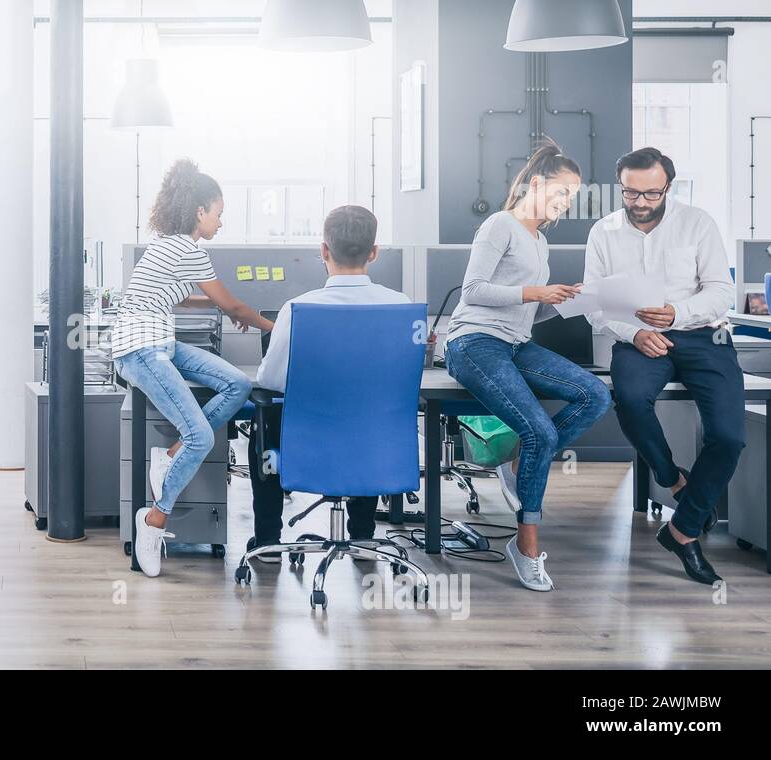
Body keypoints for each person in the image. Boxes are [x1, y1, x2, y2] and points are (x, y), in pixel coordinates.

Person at [444, 140, 612, 592]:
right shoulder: (500, 225)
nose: (566, 203)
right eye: (561, 192)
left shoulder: (539, 241)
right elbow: (474, 291)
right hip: (474, 341)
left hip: (516, 343)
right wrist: (537, 292)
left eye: (572, 196)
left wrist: (562, 301)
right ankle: (527, 544)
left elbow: (527, 312)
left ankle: (518, 461)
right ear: (535, 183)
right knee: (540, 431)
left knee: (596, 395)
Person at [585, 147, 742, 586]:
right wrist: (632, 332)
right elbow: (596, 304)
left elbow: (720, 292)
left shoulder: (698, 224)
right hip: (636, 336)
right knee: (631, 400)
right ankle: (673, 479)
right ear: (621, 186)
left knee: (729, 437)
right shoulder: (604, 232)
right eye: (631, 193)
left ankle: (682, 530)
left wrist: (677, 313)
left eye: (651, 193)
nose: (640, 202)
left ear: (667, 187)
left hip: (701, 334)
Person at [112, 159, 276, 578]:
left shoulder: (169, 245)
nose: (220, 222)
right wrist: (275, 325)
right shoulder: (186, 249)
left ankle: (169, 457)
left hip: (161, 342)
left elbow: (185, 298)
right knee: (200, 435)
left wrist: (227, 308)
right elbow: (233, 304)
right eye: (218, 213)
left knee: (237, 383)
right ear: (199, 211)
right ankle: (154, 520)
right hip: (140, 350)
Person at [248, 206, 408, 562]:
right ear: (374, 252)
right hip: (376, 452)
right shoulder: (399, 307)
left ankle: (267, 541)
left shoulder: (298, 309)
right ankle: (363, 536)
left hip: (307, 453)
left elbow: (270, 381)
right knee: (366, 418)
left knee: (264, 421)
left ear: (323, 251)